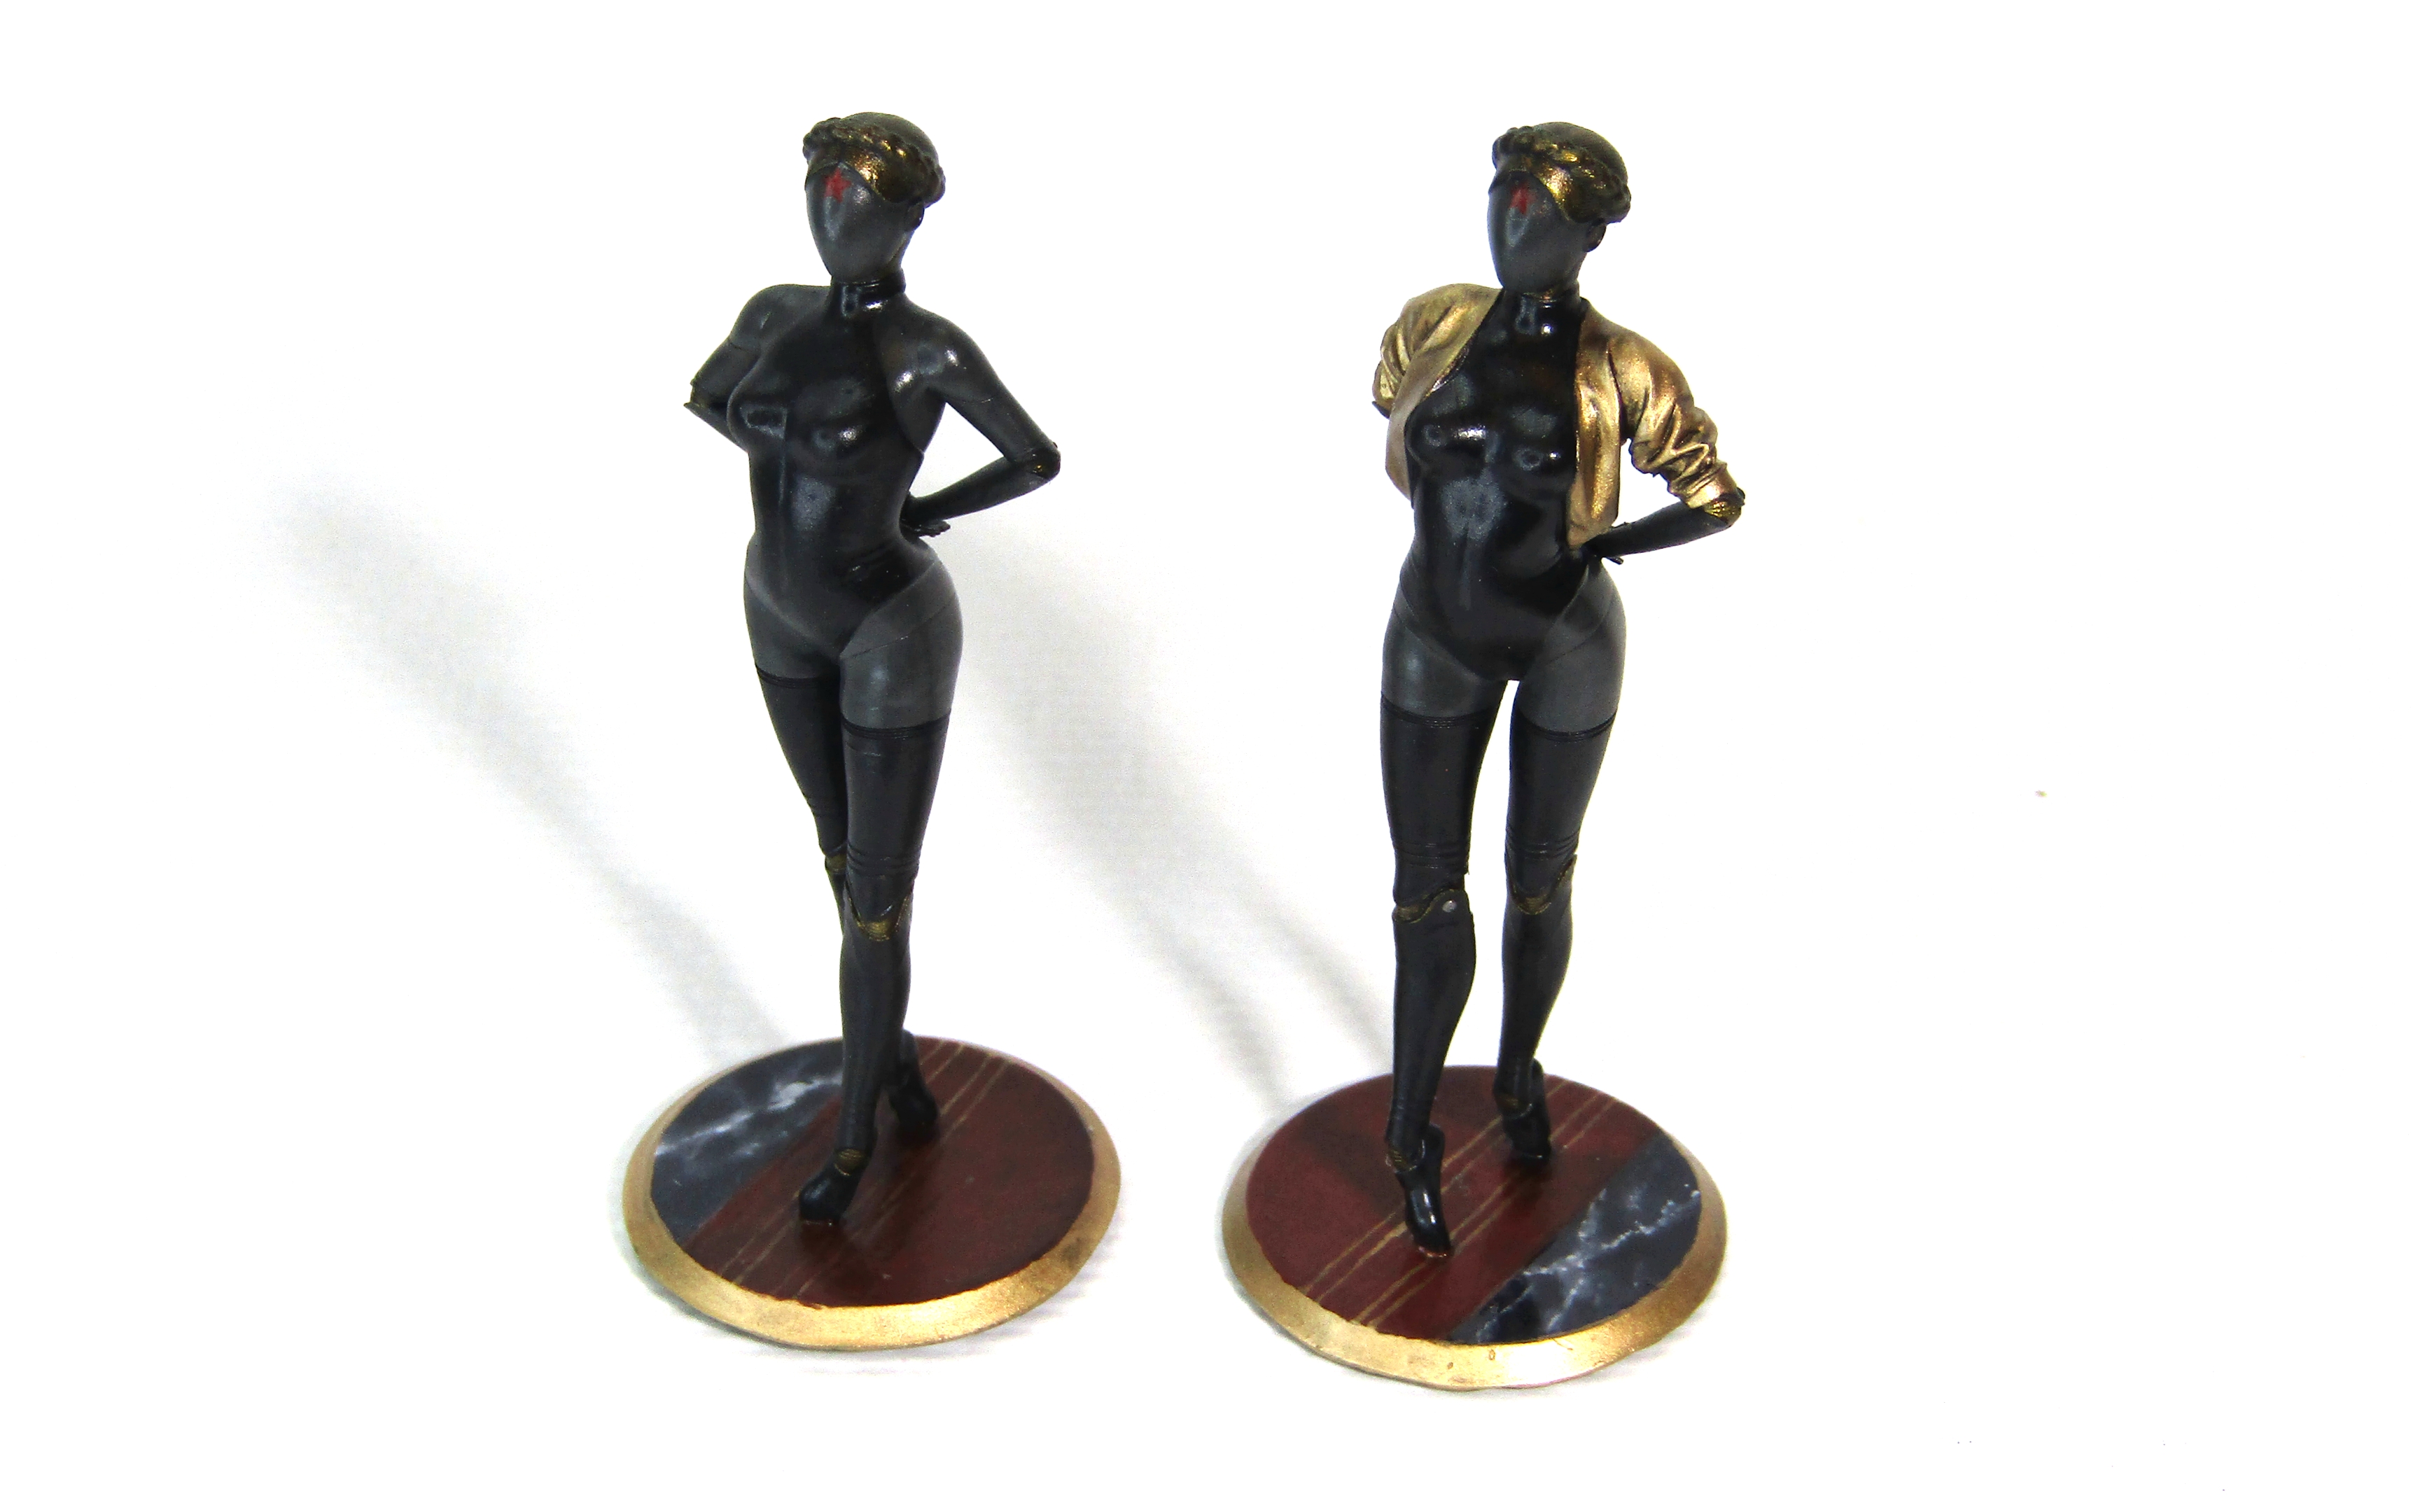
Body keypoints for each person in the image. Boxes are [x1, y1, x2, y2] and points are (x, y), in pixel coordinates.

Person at [1371, 122, 1745, 1255]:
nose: (1512, 222)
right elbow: (1392, 411)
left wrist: (1611, 545)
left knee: (1538, 881)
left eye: (1539, 209)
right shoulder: (1435, 322)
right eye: (1504, 197)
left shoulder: (1626, 368)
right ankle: (1409, 1134)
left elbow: (1715, 496)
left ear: (1591, 237)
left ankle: (1519, 1071)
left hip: (1565, 641)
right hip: (1432, 630)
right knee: (1426, 893)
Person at [686, 113, 1061, 1222]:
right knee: (840, 857)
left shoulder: (927, 351)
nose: (832, 214)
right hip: (775, 605)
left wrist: (921, 508)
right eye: (820, 190)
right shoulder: (774, 315)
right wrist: (792, 453)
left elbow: (1033, 456)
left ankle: (855, 1143)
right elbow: (711, 397)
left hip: (886, 625)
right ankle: (892, 1067)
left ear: (906, 223)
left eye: (855, 199)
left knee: (879, 904)